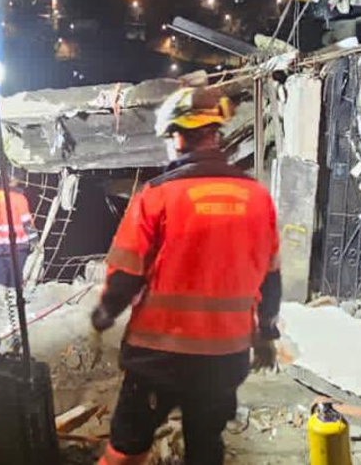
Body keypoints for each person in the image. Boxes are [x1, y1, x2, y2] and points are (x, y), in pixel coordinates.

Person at [92, 86, 281, 465]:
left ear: (178, 136)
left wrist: (105, 312)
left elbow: (127, 274)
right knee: (205, 445)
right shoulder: (258, 198)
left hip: (158, 354)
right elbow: (270, 281)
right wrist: (266, 335)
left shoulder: (157, 195)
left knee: (127, 447)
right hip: (225, 356)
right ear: (216, 134)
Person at [0, 178, 37, 288]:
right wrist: (35, 241)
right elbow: (27, 223)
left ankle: (1, 302)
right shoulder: (19, 199)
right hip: (16, 248)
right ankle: (13, 302)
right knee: (15, 283)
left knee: (0, 282)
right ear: (12, 181)